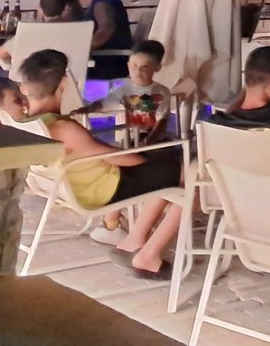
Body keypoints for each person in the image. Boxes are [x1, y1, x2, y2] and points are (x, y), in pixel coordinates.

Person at [17, 50, 185, 278]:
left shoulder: (24, 123)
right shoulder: (64, 128)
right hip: (102, 189)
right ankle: (147, 256)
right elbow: (121, 159)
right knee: (187, 174)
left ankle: (132, 240)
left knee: (166, 168)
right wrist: (145, 159)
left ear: (24, 88)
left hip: (68, 185)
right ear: (64, 82)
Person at [79, 40, 173, 143]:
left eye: (145, 66)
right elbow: (106, 102)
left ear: (157, 68)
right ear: (128, 65)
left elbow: (162, 119)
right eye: (134, 65)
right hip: (126, 140)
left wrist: (149, 140)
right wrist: (88, 108)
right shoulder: (122, 87)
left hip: (151, 139)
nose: (138, 71)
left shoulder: (162, 92)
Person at [74, 0, 133, 79]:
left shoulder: (102, 1)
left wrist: (83, 48)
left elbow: (107, 28)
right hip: (110, 60)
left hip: (107, 63)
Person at [0, 0, 75, 71]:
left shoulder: (29, 32)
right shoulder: (76, 32)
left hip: (31, 77)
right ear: (65, 9)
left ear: (40, 9)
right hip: (68, 77)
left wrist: (11, 67)